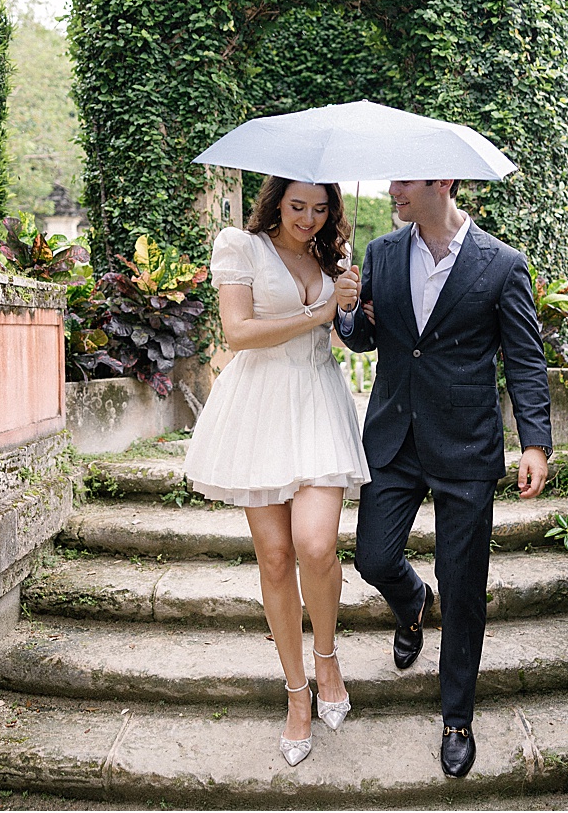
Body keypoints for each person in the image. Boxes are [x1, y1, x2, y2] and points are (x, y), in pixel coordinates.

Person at [334, 177, 551, 780]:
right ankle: (410, 604)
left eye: (404, 181)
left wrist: (533, 442)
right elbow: (363, 339)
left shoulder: (503, 264)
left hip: (467, 446)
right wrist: (349, 309)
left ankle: (457, 717)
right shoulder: (379, 253)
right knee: (374, 559)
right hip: (395, 436)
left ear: (442, 183)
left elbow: (525, 358)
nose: (392, 190)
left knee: (464, 585)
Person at [182, 177, 370, 767]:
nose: (308, 219)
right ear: (276, 202)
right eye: (297, 207)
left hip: (316, 401)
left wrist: (346, 305)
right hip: (259, 406)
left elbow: (347, 337)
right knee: (273, 556)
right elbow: (238, 334)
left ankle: (327, 656)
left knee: (316, 546)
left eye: (320, 209)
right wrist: (318, 312)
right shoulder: (241, 246)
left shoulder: (332, 256)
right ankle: (296, 694)